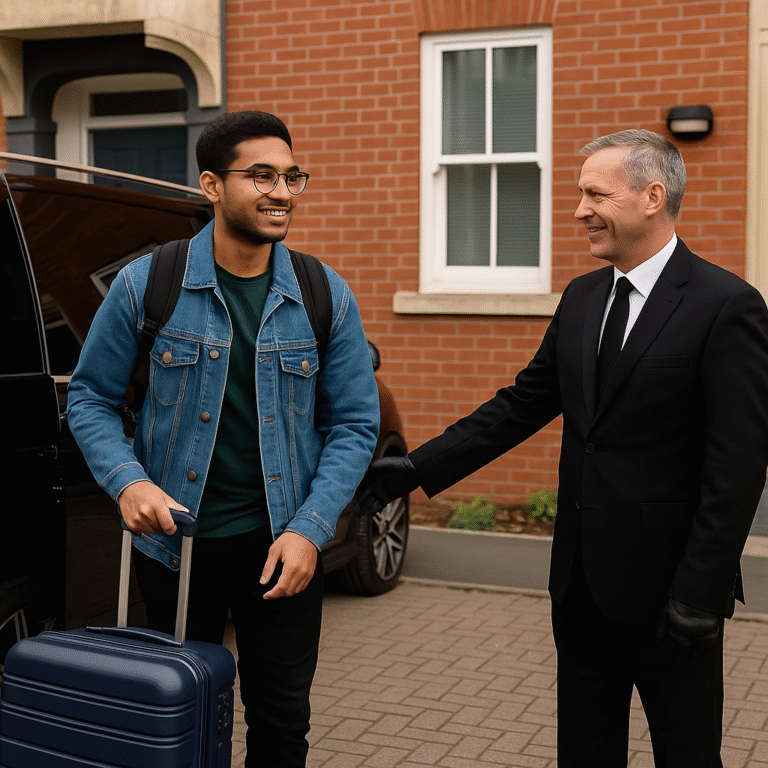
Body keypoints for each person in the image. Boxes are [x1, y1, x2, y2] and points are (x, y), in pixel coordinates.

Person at [355, 129, 768, 767]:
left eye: (594, 194)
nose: (578, 210)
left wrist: (700, 592)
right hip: (580, 589)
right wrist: (414, 468)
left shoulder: (726, 306)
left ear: (652, 196)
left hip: (671, 598)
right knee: (583, 753)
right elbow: (522, 404)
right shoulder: (582, 297)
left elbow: (736, 468)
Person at [67, 110, 380, 767]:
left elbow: (354, 424)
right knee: (175, 722)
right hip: (175, 550)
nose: (282, 192)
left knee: (281, 725)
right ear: (212, 185)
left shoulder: (325, 295)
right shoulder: (147, 283)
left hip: (282, 548)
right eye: (260, 175)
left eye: (292, 176)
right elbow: (90, 400)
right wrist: (129, 481)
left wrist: (311, 529)